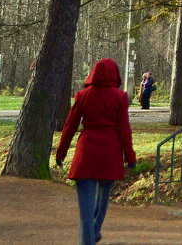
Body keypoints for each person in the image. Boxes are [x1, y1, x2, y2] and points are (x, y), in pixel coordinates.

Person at [55, 58, 136, 245]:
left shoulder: (83, 95)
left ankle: (88, 238)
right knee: (102, 202)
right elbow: (124, 129)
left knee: (85, 212)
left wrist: (61, 153)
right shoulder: (120, 97)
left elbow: (69, 127)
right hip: (110, 153)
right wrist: (129, 156)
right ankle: (95, 231)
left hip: (87, 154)